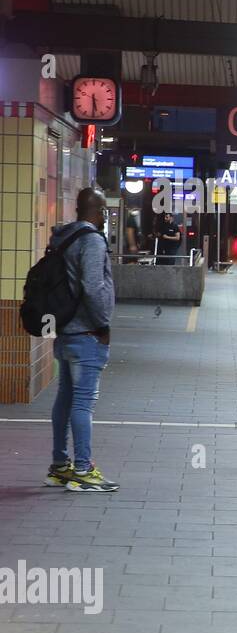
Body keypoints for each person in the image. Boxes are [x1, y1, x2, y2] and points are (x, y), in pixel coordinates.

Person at [46, 187, 119, 492]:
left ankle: (60, 466)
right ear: (97, 211)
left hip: (64, 331)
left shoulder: (63, 237)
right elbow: (92, 286)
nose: (105, 216)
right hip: (86, 333)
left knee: (65, 398)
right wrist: (102, 323)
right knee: (83, 403)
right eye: (104, 211)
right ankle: (83, 469)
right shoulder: (90, 240)